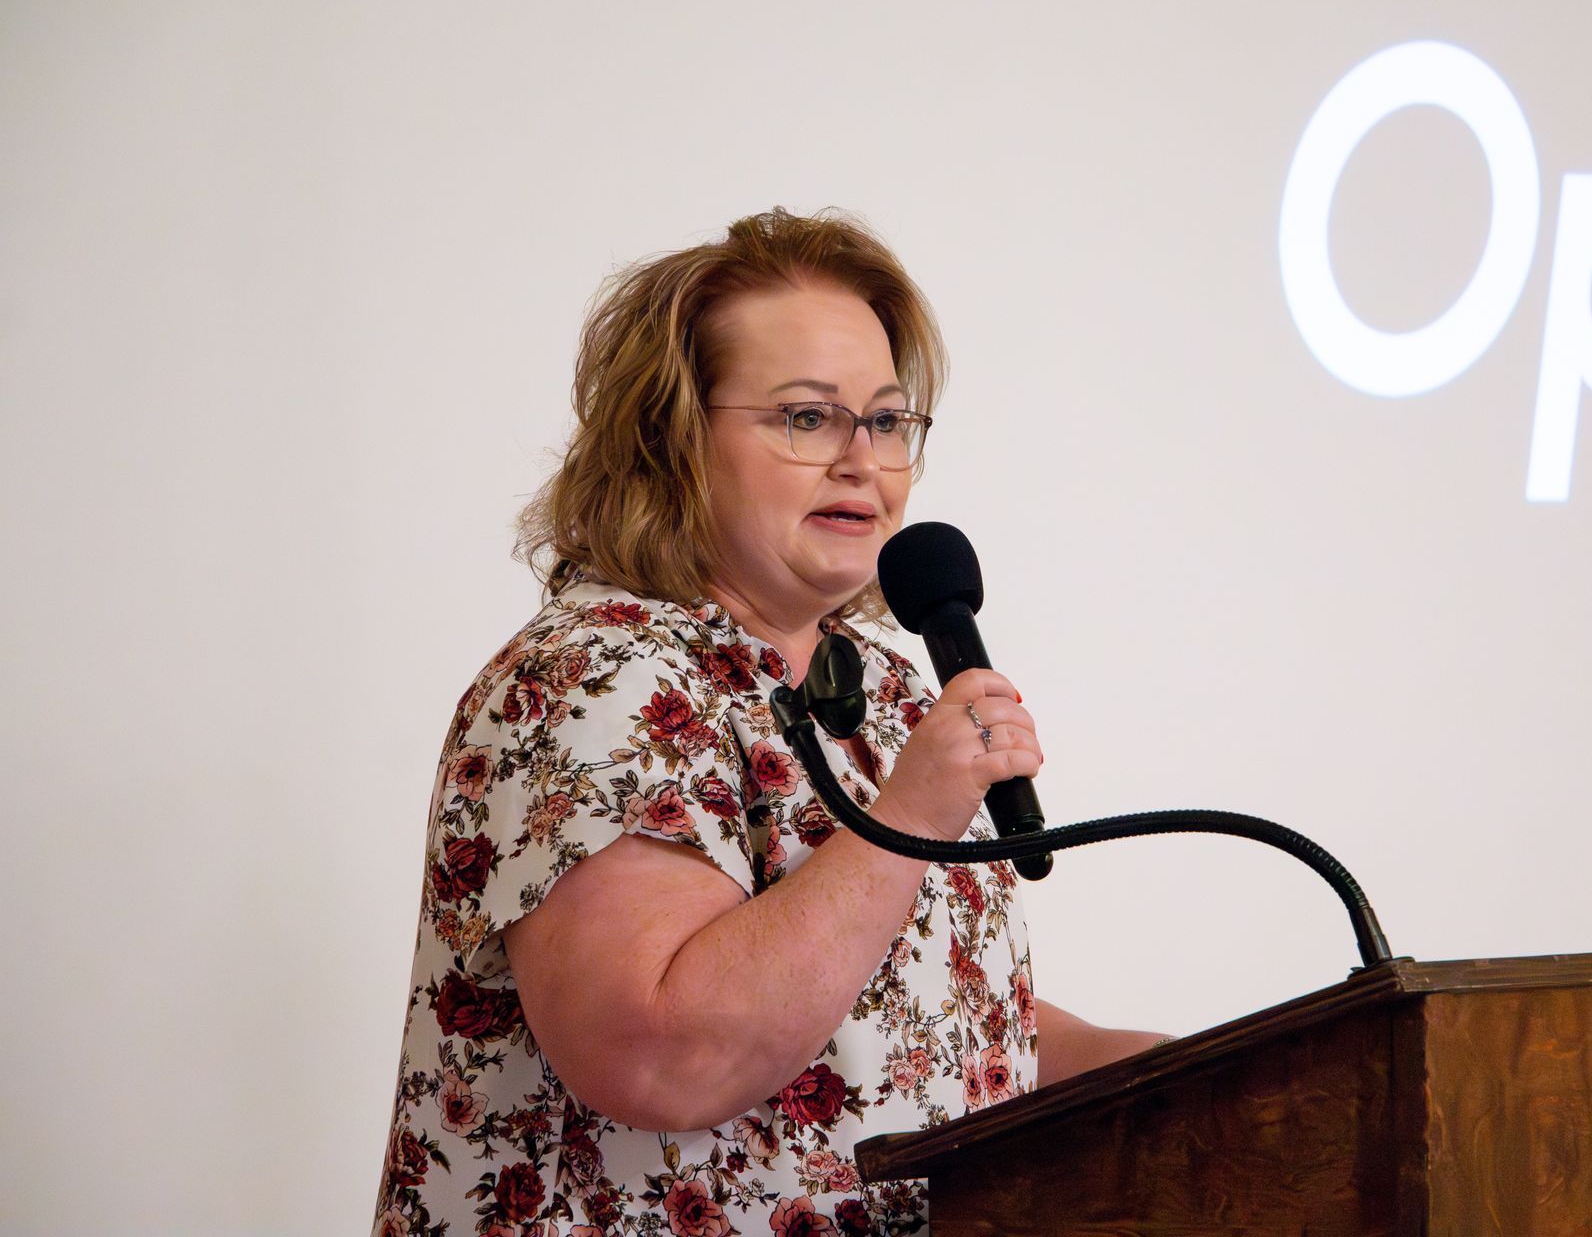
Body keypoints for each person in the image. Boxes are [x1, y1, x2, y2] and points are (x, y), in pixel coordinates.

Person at [372, 207, 1168, 1236]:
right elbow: (660, 1054)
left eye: (887, 421)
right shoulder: (593, 679)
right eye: (807, 417)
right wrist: (911, 816)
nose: (862, 460)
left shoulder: (884, 688)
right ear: (670, 443)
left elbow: (912, 1029)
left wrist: (1169, 1075)